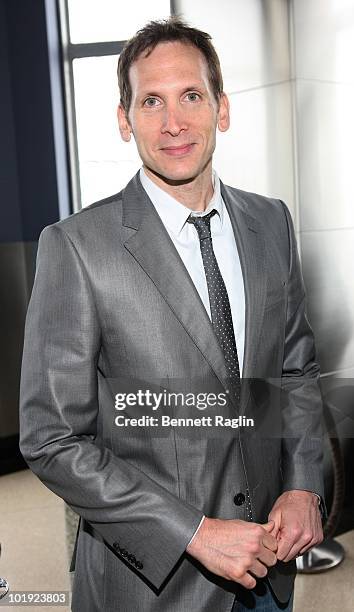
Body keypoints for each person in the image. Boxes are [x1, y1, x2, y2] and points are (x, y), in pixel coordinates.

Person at [19, 17, 325, 612]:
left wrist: (302, 484)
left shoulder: (271, 224)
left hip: (271, 569)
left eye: (191, 96)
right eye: (150, 101)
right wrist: (194, 533)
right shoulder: (77, 248)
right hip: (152, 587)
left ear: (222, 108)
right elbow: (53, 439)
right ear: (124, 118)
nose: (174, 122)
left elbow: (294, 372)